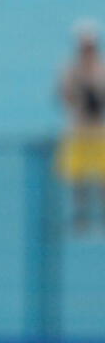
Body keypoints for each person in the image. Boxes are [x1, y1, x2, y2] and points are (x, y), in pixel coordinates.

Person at [57, 20, 105, 233]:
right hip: (78, 131)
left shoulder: (102, 70)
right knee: (79, 177)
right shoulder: (70, 69)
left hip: (100, 132)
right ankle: (81, 217)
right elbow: (64, 96)